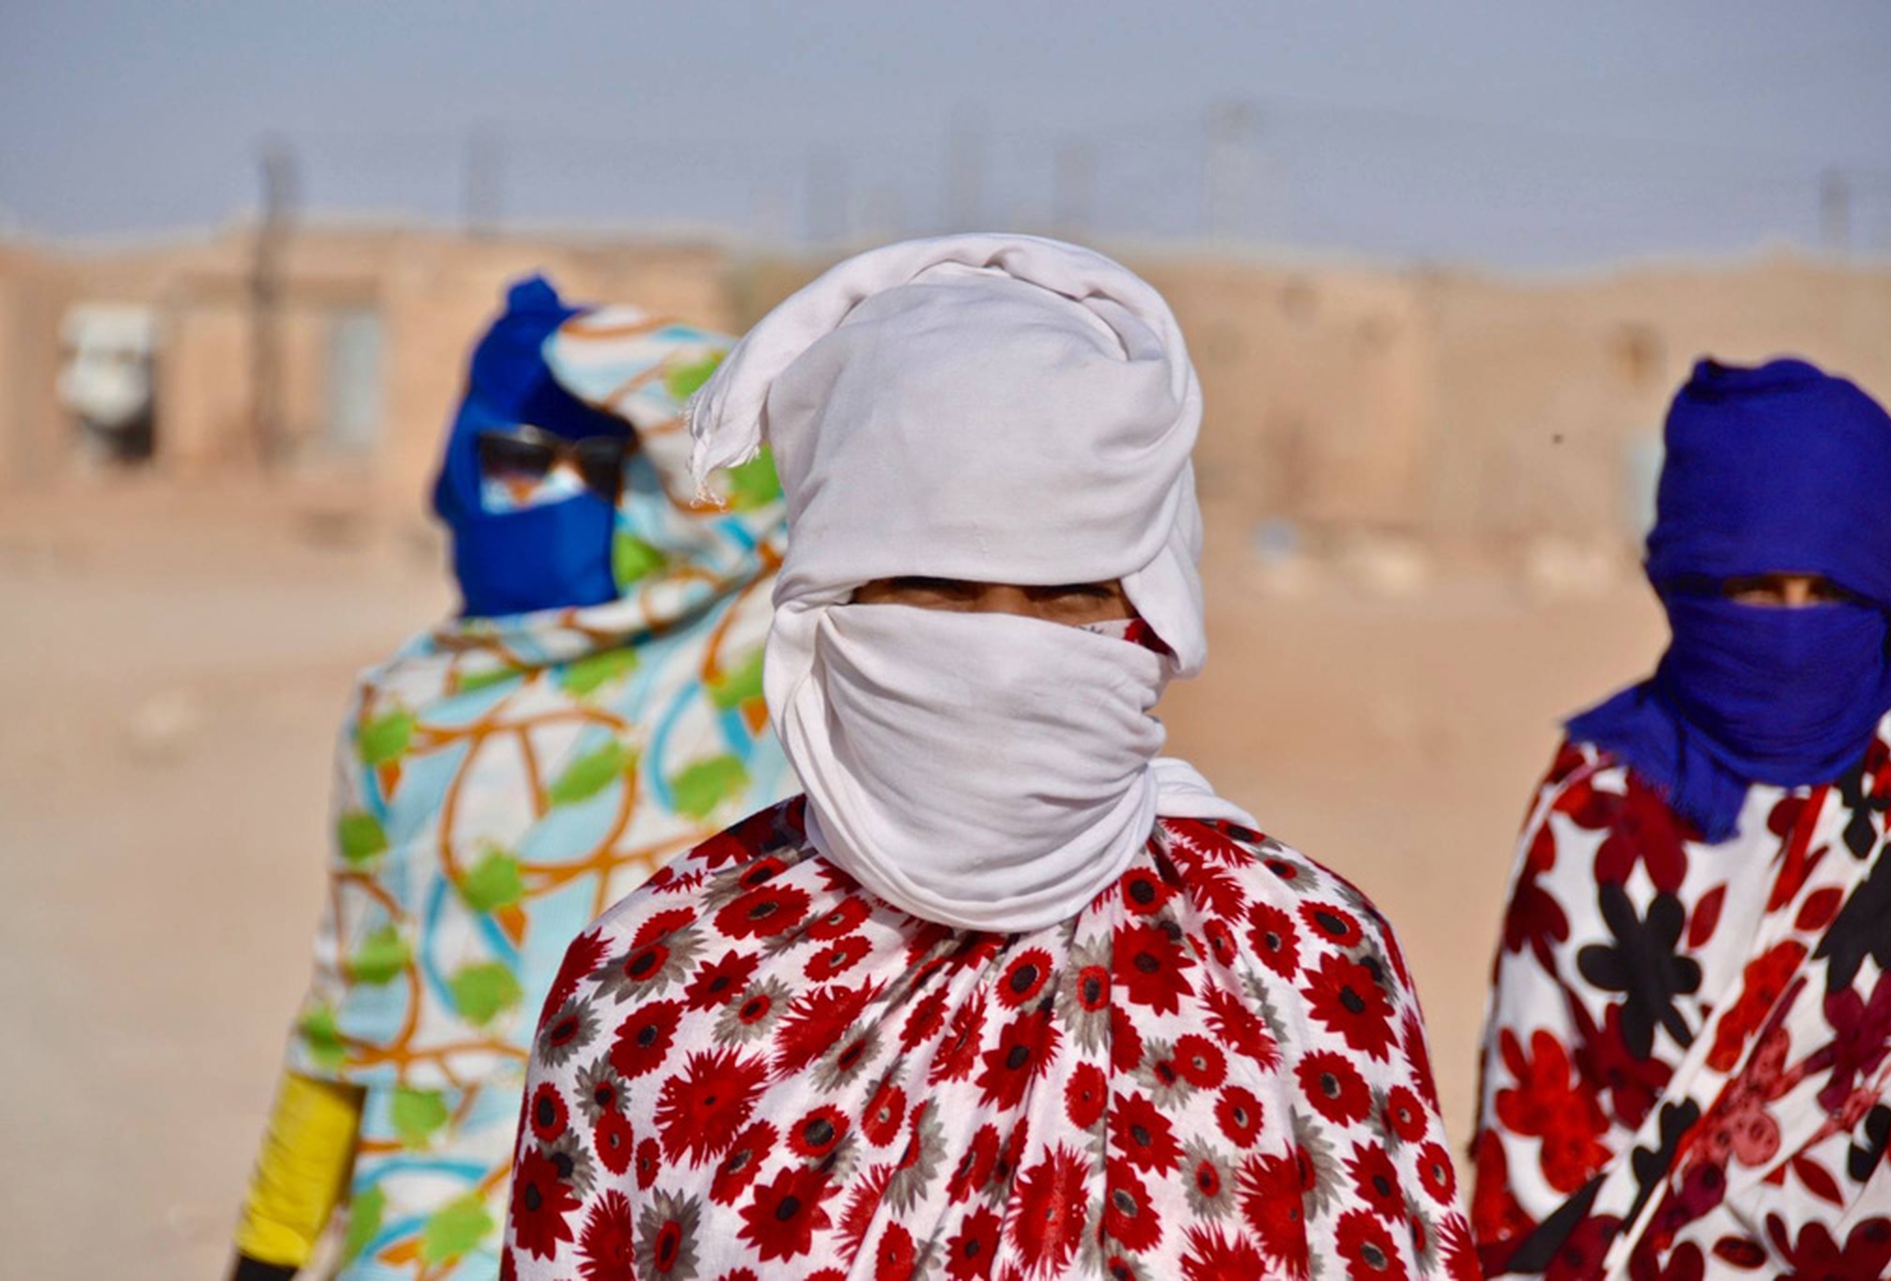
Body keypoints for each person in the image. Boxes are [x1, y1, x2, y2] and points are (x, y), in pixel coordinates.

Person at [501, 236, 1478, 1281]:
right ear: (835, 604)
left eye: (1071, 595)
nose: (1005, 654)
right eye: (936, 588)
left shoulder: (1303, 965)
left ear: (1155, 615)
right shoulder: (655, 995)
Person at [227, 275, 794, 1281]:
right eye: (512, 462)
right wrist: (268, 1250)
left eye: (589, 467)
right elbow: (352, 1016)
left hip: (661, 1222)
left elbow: (770, 470)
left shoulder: (739, 677)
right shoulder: (405, 711)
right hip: (426, 1240)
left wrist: (573, 346)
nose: (538, 495)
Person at [1470, 358, 1891, 1278]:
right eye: (1756, 587)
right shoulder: (1595, 812)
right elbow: (1530, 1155)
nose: (1792, 626)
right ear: (1688, 583)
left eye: (1827, 591)